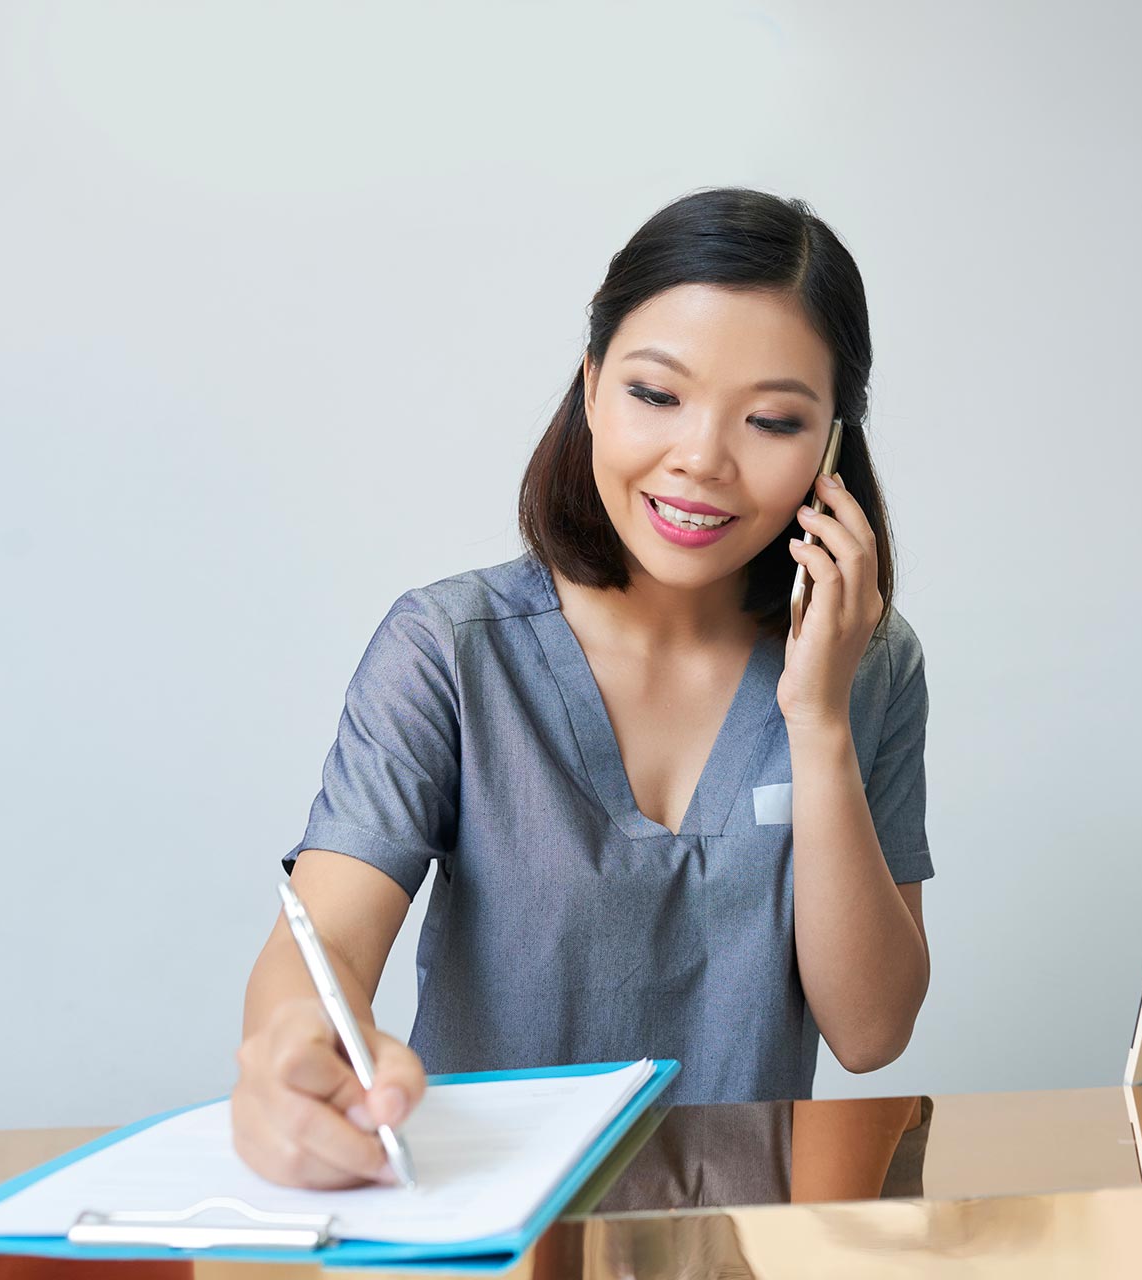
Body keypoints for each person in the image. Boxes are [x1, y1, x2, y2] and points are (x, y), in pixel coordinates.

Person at [231, 187, 934, 1190]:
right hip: (495, 1233)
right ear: (593, 383)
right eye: (656, 395)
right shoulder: (450, 649)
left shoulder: (870, 664)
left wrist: (817, 720)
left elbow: (870, 1032)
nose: (701, 458)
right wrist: (293, 1053)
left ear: (831, 447)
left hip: (743, 1247)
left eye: (773, 419)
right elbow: (327, 937)